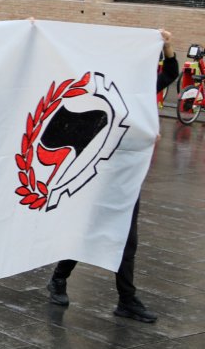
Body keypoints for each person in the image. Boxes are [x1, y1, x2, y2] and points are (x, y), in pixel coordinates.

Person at [46, 28, 181, 323]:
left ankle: (127, 300)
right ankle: (59, 277)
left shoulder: (141, 90)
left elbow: (171, 72)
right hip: (97, 176)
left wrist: (167, 45)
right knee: (86, 231)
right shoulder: (100, 97)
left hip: (126, 178)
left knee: (126, 240)